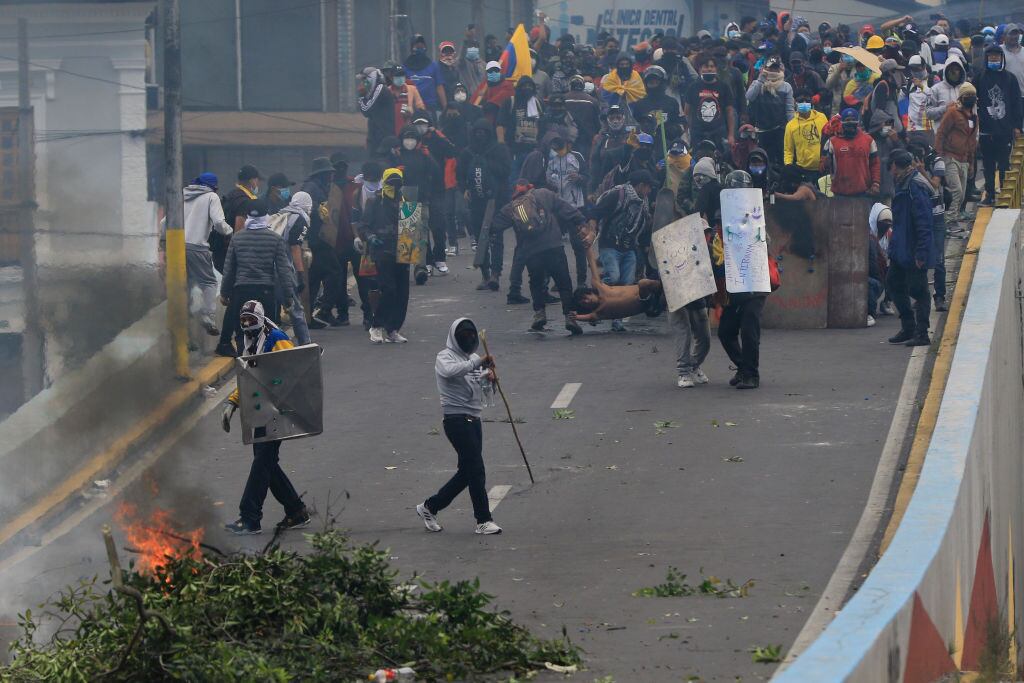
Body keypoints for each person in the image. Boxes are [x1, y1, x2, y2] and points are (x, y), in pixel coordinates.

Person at [220, 300, 309, 535]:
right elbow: (250, 374)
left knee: (262, 462)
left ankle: (250, 518)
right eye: (243, 320)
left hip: (278, 410)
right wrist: (233, 402)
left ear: (260, 319)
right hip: (262, 408)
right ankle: (296, 510)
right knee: (266, 462)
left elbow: (293, 370)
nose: (246, 324)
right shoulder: (250, 341)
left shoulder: (275, 339)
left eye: (251, 319)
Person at [415, 318, 502, 535]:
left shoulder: (473, 358)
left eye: (472, 335)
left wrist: (490, 378)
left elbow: (482, 390)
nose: (469, 339)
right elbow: (451, 372)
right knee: (477, 469)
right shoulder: (444, 357)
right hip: (456, 420)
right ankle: (483, 520)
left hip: (474, 419)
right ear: (454, 338)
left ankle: (430, 507)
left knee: (467, 472)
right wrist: (479, 362)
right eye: (464, 336)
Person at [488, 181, 587, 335]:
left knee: (536, 282)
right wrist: (580, 221)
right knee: (563, 282)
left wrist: (486, 230)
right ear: (530, 187)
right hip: (553, 245)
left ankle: (539, 314)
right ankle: (569, 317)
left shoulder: (511, 207)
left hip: (531, 251)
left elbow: (495, 225)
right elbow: (565, 208)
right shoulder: (544, 194)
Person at [218, 199, 295, 355]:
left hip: (241, 292)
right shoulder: (275, 239)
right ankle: (264, 365)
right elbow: (284, 271)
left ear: (248, 216)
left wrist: (224, 293)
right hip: (266, 293)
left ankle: (245, 363)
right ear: (266, 216)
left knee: (242, 333)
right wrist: (288, 298)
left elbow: (229, 269)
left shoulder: (237, 238)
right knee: (266, 333)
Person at [587, 170, 654, 331]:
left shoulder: (643, 202)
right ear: (640, 185)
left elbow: (643, 224)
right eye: (648, 187)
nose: (650, 191)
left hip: (629, 247)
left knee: (626, 285)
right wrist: (592, 230)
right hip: (610, 244)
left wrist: (646, 244)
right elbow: (595, 212)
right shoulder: (618, 194)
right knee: (613, 277)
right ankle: (593, 303)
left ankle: (617, 320)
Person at [886, 149, 934, 347]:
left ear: (895, 166)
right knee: (894, 283)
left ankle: (922, 333)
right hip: (900, 248)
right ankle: (908, 327)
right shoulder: (902, 183)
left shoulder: (914, 187)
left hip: (913, 249)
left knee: (919, 290)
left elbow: (924, 222)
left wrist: (921, 252)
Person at [458, 118, 511, 289]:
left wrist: (487, 163)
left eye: (484, 132)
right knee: (481, 238)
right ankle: (485, 275)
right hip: (475, 201)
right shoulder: (467, 153)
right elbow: (460, 174)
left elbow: (506, 171)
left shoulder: (499, 150)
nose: (480, 135)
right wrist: (464, 189)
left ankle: (495, 274)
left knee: (496, 238)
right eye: (477, 132)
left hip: (495, 201)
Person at [359, 168, 410, 344]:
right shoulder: (374, 201)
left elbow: (412, 228)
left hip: (403, 251)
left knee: (402, 294)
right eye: (391, 183)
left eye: (397, 184)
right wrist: (371, 237)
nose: (394, 187)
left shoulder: (405, 202)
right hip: (382, 252)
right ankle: (376, 325)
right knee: (389, 290)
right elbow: (363, 226)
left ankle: (393, 329)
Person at [183, 172, 232, 336]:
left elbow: (164, 222)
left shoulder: (182, 195)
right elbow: (218, 222)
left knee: (188, 281)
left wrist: (163, 244)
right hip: (197, 247)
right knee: (210, 282)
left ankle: (187, 311)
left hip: (176, 247)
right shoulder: (211, 197)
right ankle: (208, 317)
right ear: (213, 187)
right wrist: (229, 232)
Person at [324, 152, 369, 328]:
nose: (340, 169)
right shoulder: (328, 188)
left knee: (363, 279)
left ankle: (368, 314)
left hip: (356, 239)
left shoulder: (355, 186)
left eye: (343, 166)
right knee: (339, 280)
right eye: (337, 166)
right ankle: (343, 314)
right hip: (336, 242)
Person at [571, 244, 665, 324]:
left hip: (650, 289)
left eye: (585, 298)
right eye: (584, 303)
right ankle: (662, 290)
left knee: (647, 279)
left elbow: (592, 263)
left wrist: (587, 245)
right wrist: (576, 317)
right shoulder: (600, 311)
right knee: (643, 283)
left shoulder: (600, 287)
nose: (587, 301)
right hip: (647, 304)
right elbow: (590, 317)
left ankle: (663, 286)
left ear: (589, 293)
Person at [302, 157, 345, 327]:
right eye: (329, 173)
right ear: (322, 174)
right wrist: (319, 211)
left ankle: (309, 316)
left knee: (315, 277)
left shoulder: (320, 186)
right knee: (335, 272)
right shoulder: (312, 188)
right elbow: (308, 208)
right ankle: (324, 309)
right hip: (317, 239)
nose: (331, 176)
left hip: (320, 238)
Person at [977, 45, 1023, 205]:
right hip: (985, 131)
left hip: (1005, 130)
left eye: (997, 56)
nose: (994, 58)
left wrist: (1017, 126)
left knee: (1004, 164)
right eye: (991, 56)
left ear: (1002, 58)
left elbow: (1017, 103)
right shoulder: (979, 78)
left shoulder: (1010, 78)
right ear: (986, 58)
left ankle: (1004, 194)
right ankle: (989, 195)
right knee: (988, 166)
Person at [935, 83, 978, 226]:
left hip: (964, 159)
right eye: (967, 95)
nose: (970, 98)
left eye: (973, 95)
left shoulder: (974, 117)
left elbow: (972, 141)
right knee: (957, 191)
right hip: (950, 157)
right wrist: (939, 156)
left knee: (962, 194)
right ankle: (949, 220)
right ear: (961, 97)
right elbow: (941, 132)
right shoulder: (952, 113)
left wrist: (971, 163)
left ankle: (954, 217)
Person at [273, 190, 312, 345]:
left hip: (266, 265)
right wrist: (300, 273)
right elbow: (294, 246)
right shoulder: (300, 219)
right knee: (295, 306)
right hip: (282, 267)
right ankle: (305, 342)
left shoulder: (282, 213)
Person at [746, 55, 794, 166]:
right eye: (770, 68)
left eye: (775, 68)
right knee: (763, 161)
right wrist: (761, 79)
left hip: (780, 130)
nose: (772, 70)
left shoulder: (786, 86)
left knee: (781, 161)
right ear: (765, 68)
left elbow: (789, 110)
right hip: (761, 131)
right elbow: (749, 97)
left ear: (779, 69)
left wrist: (792, 129)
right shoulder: (757, 83)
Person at [685, 51, 736, 155]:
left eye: (712, 66)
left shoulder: (724, 87)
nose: (709, 69)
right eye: (706, 66)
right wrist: (687, 133)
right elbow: (687, 112)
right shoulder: (693, 87)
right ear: (700, 69)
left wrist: (731, 135)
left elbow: (730, 112)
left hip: (718, 132)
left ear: (716, 69)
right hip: (698, 133)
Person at [822, 108, 880, 196]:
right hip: (839, 192)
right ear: (842, 123)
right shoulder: (832, 142)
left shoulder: (868, 140)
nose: (850, 127)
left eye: (853, 124)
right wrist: (825, 163)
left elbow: (875, 164)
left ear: (857, 123)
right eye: (847, 124)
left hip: (863, 192)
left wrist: (876, 183)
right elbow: (822, 167)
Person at [784, 88, 827, 183]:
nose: (804, 103)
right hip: (803, 170)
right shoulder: (791, 125)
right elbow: (788, 150)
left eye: (807, 100)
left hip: (822, 168)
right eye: (800, 101)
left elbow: (829, 140)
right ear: (795, 102)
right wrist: (788, 166)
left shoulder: (822, 117)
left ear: (811, 102)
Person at [589, 105, 630, 193]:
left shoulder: (630, 137)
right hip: (605, 184)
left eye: (618, 117)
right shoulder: (600, 138)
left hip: (626, 184)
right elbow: (594, 166)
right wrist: (591, 190)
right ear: (607, 120)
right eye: (612, 118)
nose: (615, 121)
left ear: (623, 118)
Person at [404, 34, 447, 114]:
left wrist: (445, 107)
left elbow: (439, 87)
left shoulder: (434, 66)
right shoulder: (405, 67)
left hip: (431, 107)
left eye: (422, 46)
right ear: (412, 47)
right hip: (413, 108)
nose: (420, 48)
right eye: (417, 46)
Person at [358, 67, 396, 153]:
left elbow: (366, 110)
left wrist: (361, 96)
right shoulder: (371, 92)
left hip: (383, 137)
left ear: (372, 78)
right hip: (375, 136)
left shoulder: (380, 89)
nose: (362, 82)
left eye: (364, 79)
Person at [388, 64, 426, 136]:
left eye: (402, 75)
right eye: (397, 76)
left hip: (408, 129)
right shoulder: (387, 91)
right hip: (391, 128)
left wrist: (411, 114)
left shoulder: (412, 89)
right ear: (391, 78)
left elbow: (421, 108)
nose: (400, 78)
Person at [1002, 24, 1024, 128]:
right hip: (1007, 96)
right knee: (1011, 127)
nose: (1014, 36)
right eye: (1011, 34)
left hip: (1023, 95)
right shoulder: (999, 51)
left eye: (1016, 34)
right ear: (1004, 36)